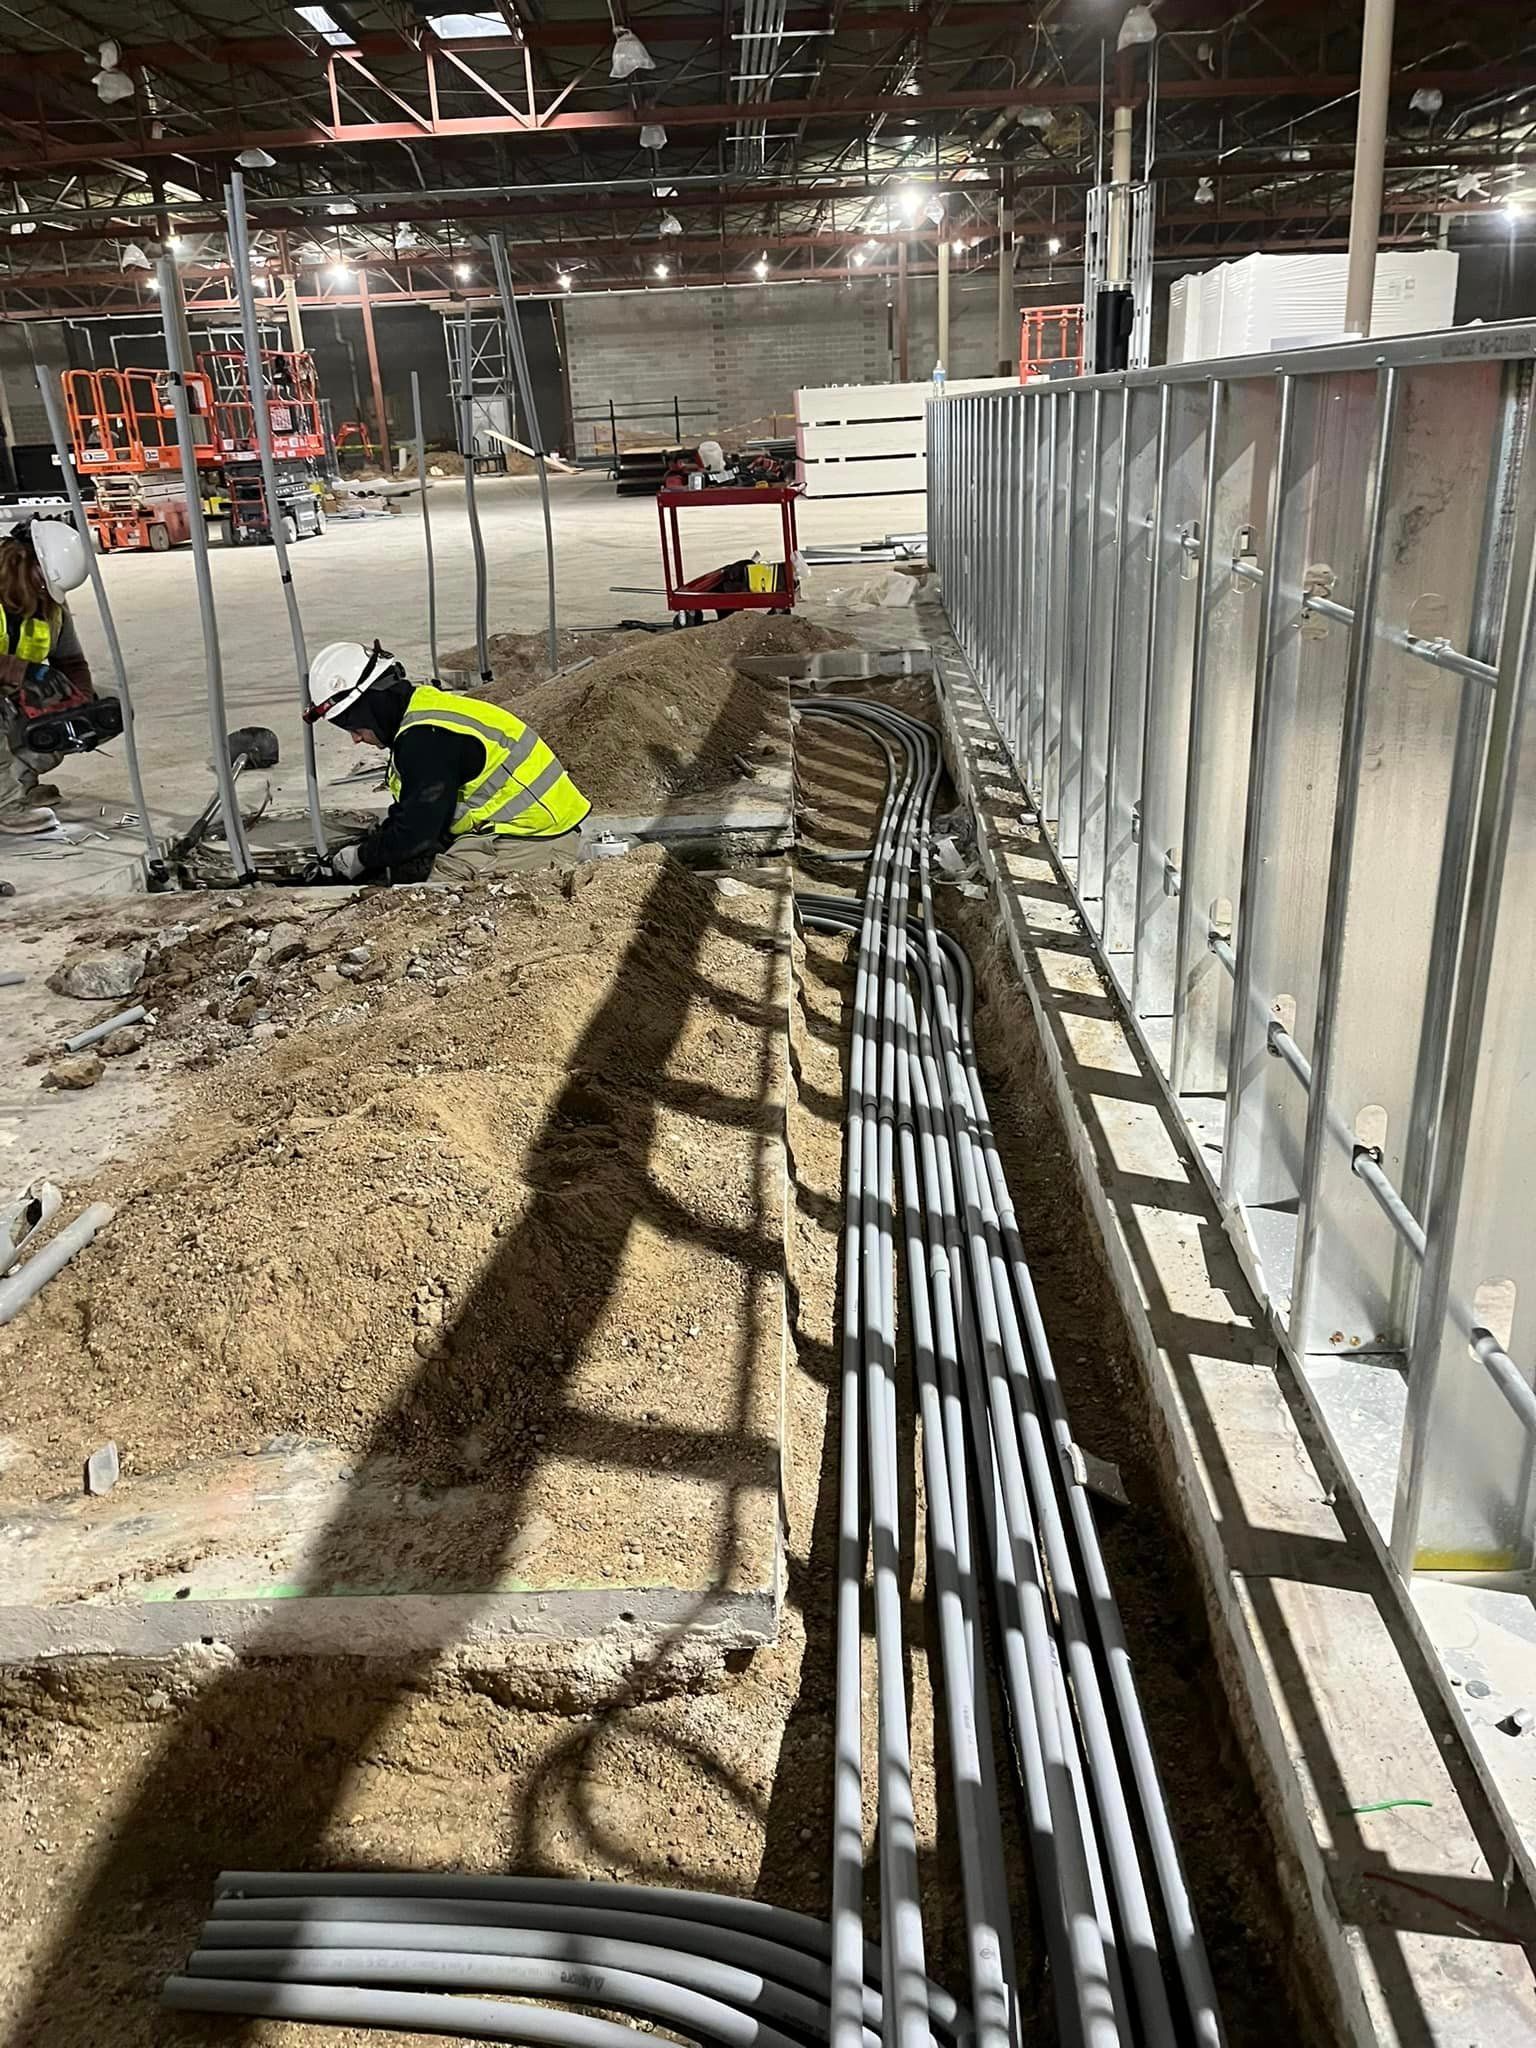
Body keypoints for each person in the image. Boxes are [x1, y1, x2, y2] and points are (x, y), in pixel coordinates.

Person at [302, 639, 590, 884]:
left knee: (434, 899)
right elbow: (416, 808)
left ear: (370, 707)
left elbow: (416, 833)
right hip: (515, 831)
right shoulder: (423, 713)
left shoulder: (425, 739)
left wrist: (361, 858)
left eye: (352, 724)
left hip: (534, 838)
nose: (355, 738)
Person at [0, 520, 99, 833]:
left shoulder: (51, 604)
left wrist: (80, 705)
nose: (46, 594)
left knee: (110, 706)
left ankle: (19, 782)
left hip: (12, 698)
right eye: (42, 584)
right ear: (22, 562)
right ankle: (6, 806)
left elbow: (72, 662)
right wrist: (23, 670)